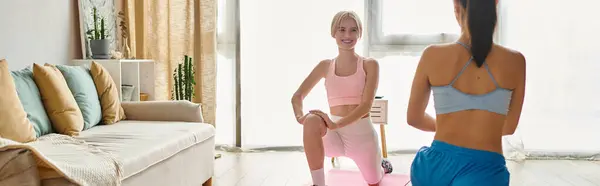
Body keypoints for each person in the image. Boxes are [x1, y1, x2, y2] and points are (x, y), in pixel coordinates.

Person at [406, 0, 526, 185]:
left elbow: (414, 118)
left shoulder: (432, 55)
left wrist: (452, 125)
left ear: (456, 7)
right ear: (494, 6)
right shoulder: (515, 61)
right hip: (483, 173)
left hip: (432, 169)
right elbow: (509, 127)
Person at [291, 10, 393, 186]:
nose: (347, 35)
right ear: (333, 33)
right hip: (334, 136)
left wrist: (335, 124)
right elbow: (297, 96)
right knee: (312, 120)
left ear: (360, 33)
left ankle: (382, 166)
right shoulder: (325, 66)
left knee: (374, 182)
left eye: (353, 30)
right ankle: (318, 184)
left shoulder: (369, 65)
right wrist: (301, 118)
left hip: (362, 136)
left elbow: (366, 105)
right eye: (342, 29)